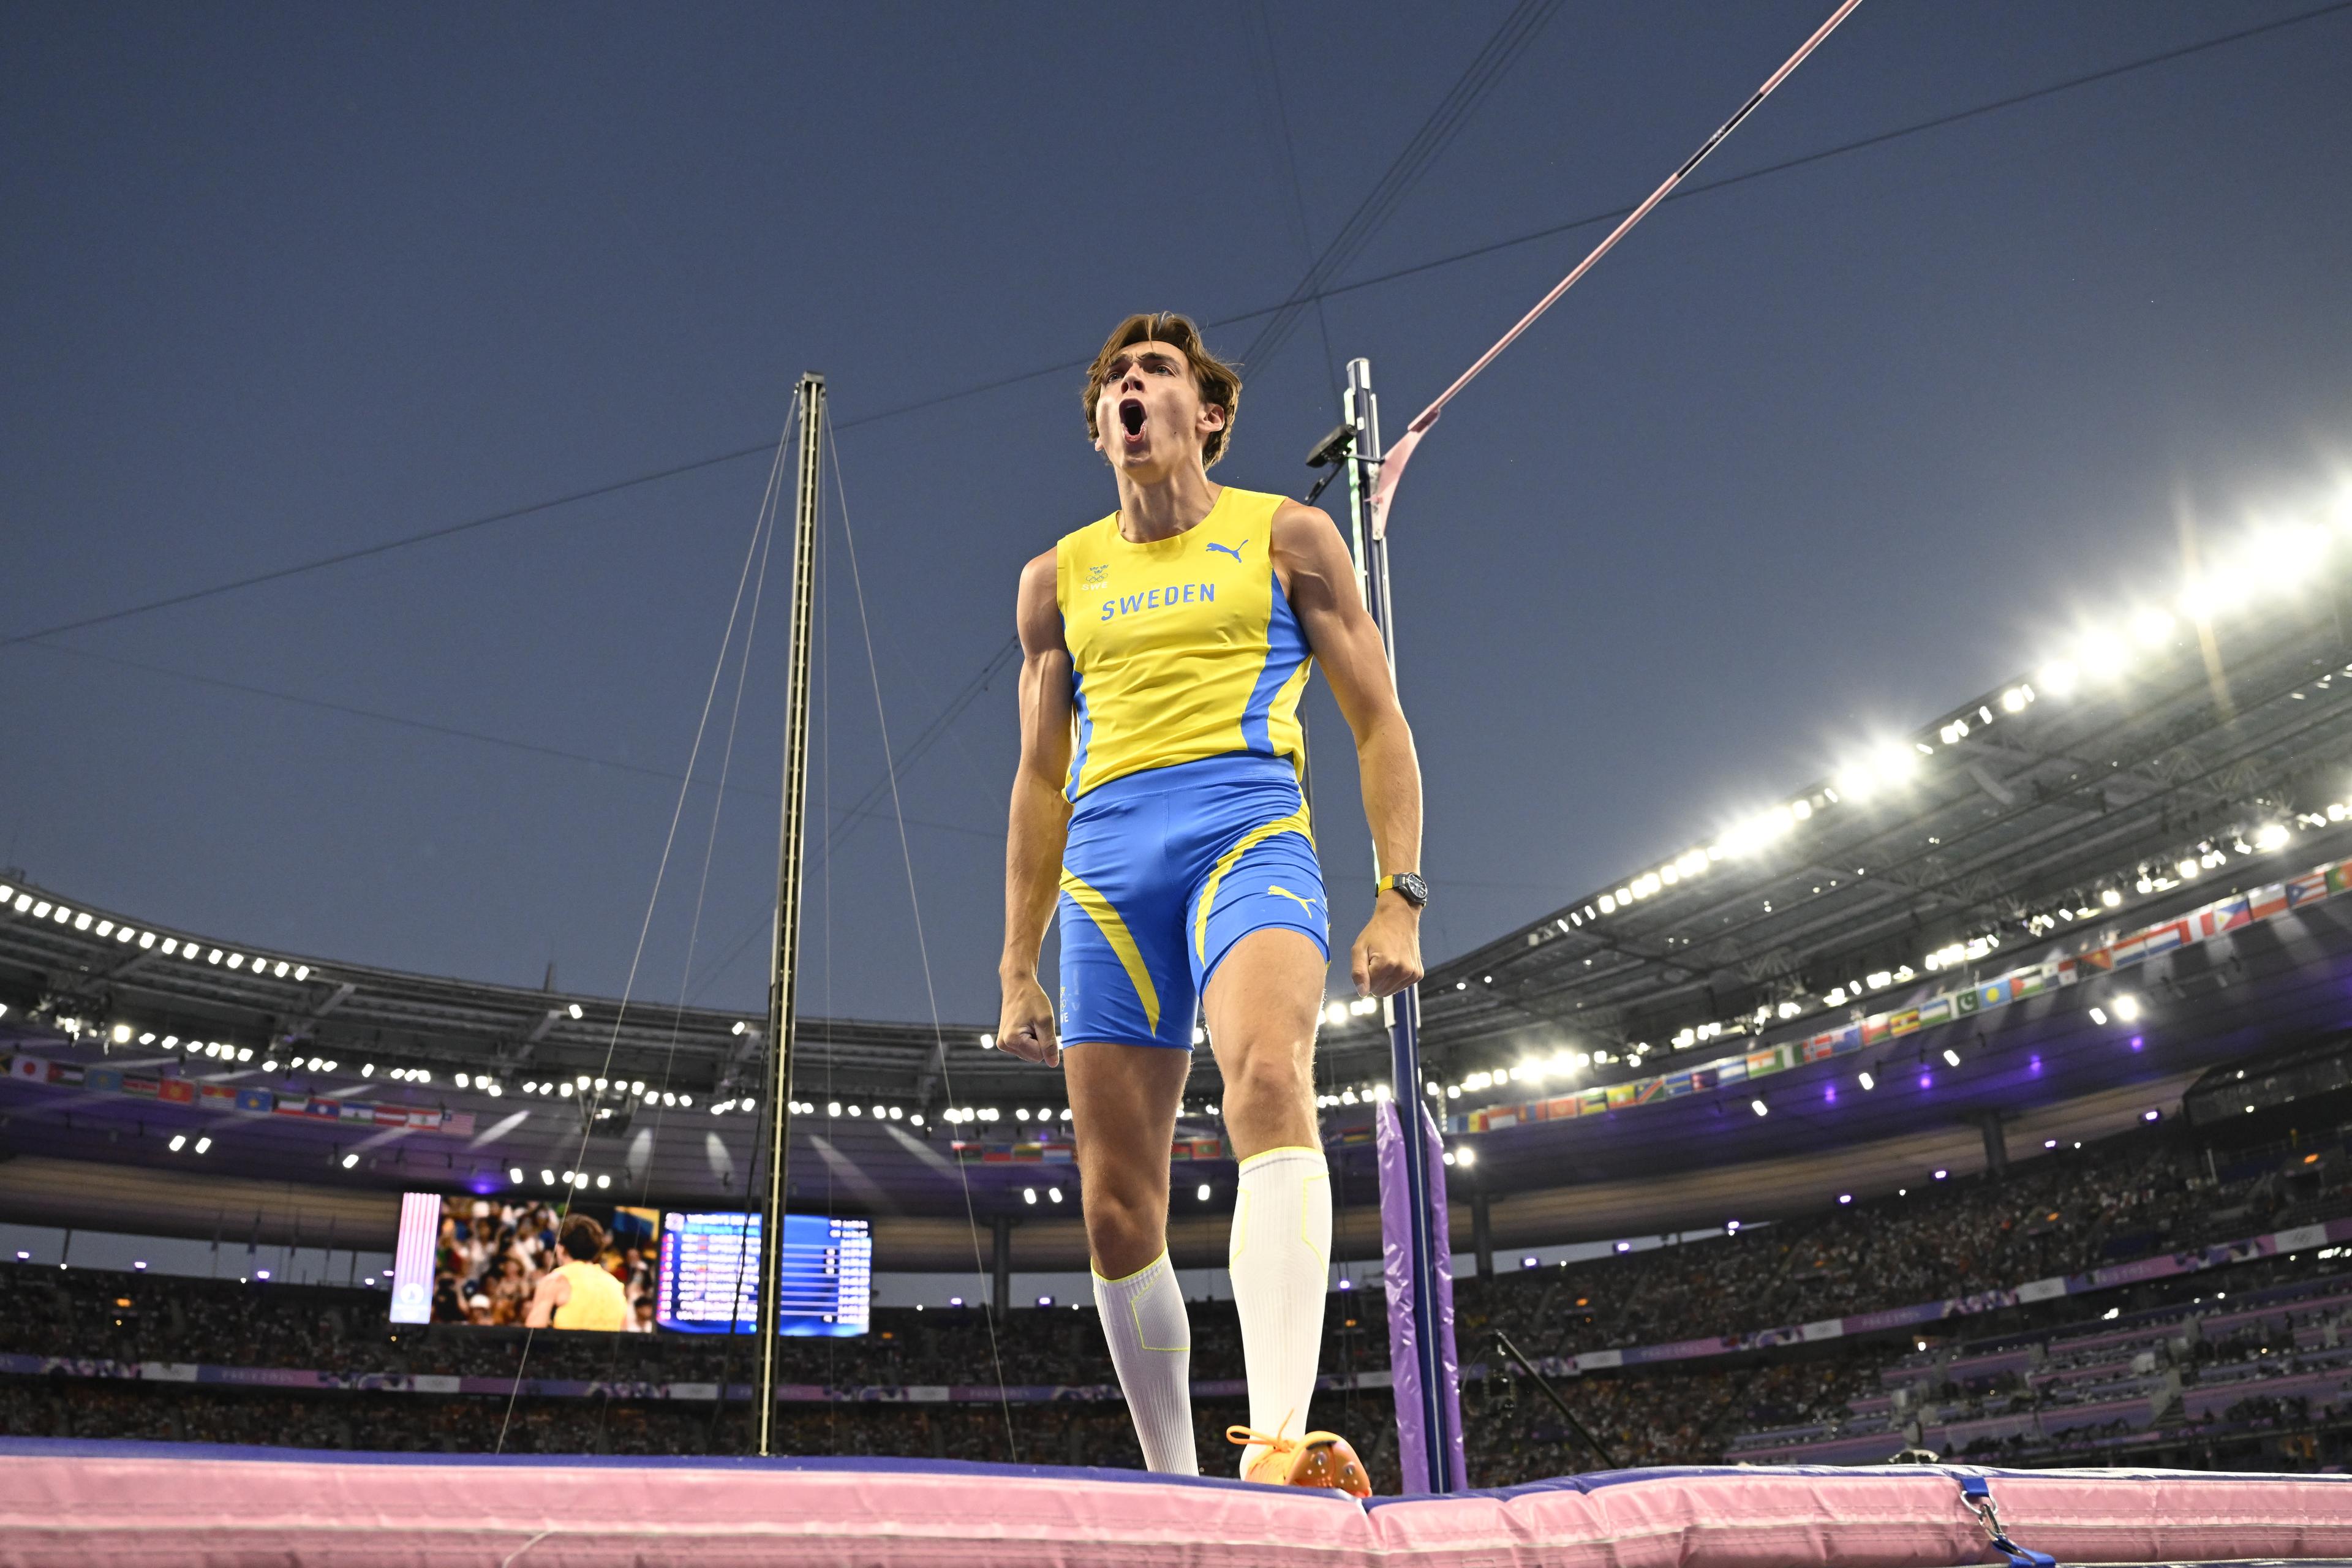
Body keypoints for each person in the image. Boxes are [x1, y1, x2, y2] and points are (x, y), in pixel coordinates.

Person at [997, 312, 1427, 1493]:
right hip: (1107, 868)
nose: (1132, 389)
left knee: (1274, 1082)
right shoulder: (1055, 580)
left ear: (1211, 414)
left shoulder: (1287, 536)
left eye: (1157, 372)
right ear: (1099, 429)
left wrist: (1400, 897)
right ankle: (1181, 1489)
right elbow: (1038, 777)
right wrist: (1015, 963)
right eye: (1115, 382)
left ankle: (1280, 1448)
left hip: (1248, 833)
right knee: (1115, 1210)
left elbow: (1379, 719)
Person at [524, 1213, 630, 1331]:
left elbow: (533, 1333)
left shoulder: (556, 1281)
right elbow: (624, 1333)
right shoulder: (615, 1285)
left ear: (560, 1249)